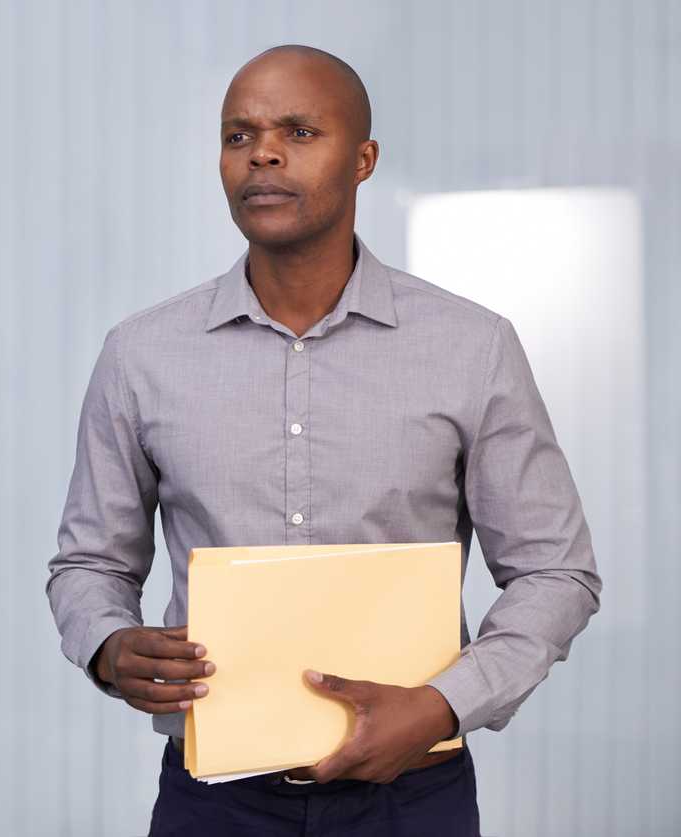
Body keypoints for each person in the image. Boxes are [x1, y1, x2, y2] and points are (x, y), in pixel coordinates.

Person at [44, 43, 602, 836]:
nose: (262, 152)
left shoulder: (471, 347)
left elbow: (556, 570)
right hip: (216, 798)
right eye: (239, 136)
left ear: (364, 159)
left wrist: (445, 701)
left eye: (300, 132)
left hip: (413, 798)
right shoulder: (141, 354)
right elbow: (89, 562)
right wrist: (107, 644)